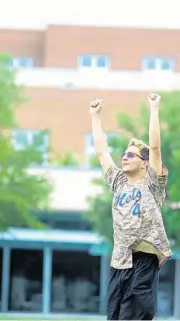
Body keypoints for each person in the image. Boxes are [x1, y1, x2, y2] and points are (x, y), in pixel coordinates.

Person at [90, 93, 172, 320]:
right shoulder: (118, 182)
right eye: (124, 154)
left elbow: (154, 148)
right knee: (114, 314)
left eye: (131, 155)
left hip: (144, 255)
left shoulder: (152, 183)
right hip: (120, 259)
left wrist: (154, 109)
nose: (124, 158)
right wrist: (95, 117)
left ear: (144, 164)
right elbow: (101, 151)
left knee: (135, 312)